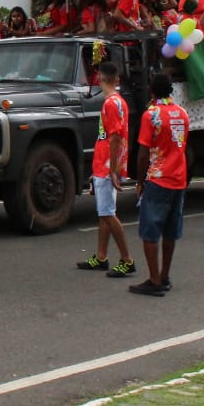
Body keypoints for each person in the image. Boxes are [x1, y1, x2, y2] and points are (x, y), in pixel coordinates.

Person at [130, 72, 189, 297]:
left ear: (151, 90)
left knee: (150, 230)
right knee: (171, 230)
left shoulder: (151, 115)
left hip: (158, 178)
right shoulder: (182, 113)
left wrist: (139, 180)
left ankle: (154, 280)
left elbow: (143, 152)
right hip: (179, 178)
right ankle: (164, 275)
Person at [76, 62, 135, 277]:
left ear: (100, 79)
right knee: (104, 212)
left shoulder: (111, 104)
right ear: (116, 79)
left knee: (108, 213)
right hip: (107, 163)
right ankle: (101, 256)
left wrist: (111, 168)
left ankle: (127, 259)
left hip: (106, 164)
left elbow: (115, 137)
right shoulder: (117, 102)